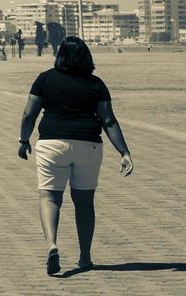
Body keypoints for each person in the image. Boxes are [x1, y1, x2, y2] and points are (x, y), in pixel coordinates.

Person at [18, 36, 134, 276]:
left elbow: (29, 114)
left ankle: (52, 244)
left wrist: (23, 140)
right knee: (84, 202)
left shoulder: (45, 79)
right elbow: (108, 120)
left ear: (59, 55)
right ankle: (85, 256)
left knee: (49, 197)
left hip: (52, 144)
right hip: (88, 146)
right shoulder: (96, 84)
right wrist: (124, 151)